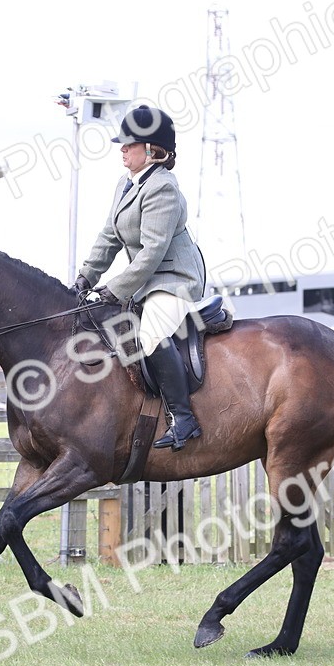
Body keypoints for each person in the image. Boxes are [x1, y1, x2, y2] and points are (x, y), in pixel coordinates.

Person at [72, 105, 208, 451]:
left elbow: (152, 252)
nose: (122, 149)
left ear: (152, 150)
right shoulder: (125, 184)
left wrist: (114, 289)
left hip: (173, 279)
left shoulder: (162, 188)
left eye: (130, 145)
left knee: (150, 336)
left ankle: (184, 418)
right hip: (146, 281)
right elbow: (109, 236)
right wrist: (84, 279)